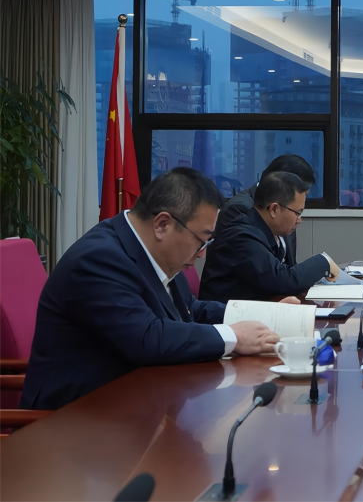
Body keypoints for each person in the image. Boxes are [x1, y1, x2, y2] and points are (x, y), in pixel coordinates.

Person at [21, 168, 285, 411]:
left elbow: (189, 310)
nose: (202, 253)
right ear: (162, 225)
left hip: (137, 404)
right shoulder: (98, 259)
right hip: (75, 419)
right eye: (201, 240)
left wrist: (265, 315)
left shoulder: (153, 252)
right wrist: (234, 337)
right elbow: (146, 338)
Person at [199, 172, 340, 303]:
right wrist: (323, 262)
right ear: (274, 209)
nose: (299, 220)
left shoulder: (261, 231)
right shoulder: (242, 237)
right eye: (297, 213)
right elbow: (284, 281)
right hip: (226, 317)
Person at [215, 153, 317, 266]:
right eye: (301, 193)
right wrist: (320, 263)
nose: (299, 218)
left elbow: (290, 266)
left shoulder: (289, 209)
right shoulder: (238, 209)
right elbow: (259, 268)